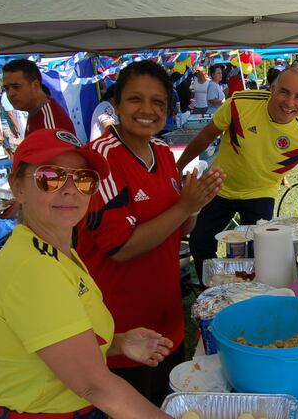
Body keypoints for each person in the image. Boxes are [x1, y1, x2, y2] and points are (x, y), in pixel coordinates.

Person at [0, 128, 176, 419]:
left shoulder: (55, 249)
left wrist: (119, 342)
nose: (70, 189)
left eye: (84, 179)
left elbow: (52, 342)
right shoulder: (33, 269)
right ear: (18, 187)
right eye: (50, 177)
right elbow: (95, 386)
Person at [77, 60, 225, 406]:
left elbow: (178, 228)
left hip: (166, 317)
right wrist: (184, 208)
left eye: (158, 102)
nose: (147, 110)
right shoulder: (100, 159)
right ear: (115, 105)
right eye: (135, 100)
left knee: (167, 402)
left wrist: (196, 204)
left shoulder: (161, 151)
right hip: (121, 329)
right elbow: (121, 248)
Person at [176, 67, 298, 285]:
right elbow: (207, 135)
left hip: (260, 192)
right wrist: (178, 167)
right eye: (284, 92)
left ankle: (254, 294)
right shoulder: (241, 103)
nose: (290, 102)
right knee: (200, 242)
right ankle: (210, 291)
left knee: (262, 250)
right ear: (272, 89)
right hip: (220, 186)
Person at [2, 58, 76, 137]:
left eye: (16, 87)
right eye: (7, 88)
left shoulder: (49, 123)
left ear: (35, 85)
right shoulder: (36, 111)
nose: (10, 94)